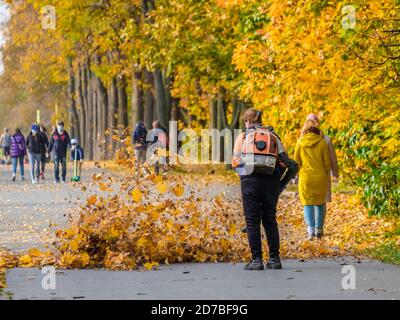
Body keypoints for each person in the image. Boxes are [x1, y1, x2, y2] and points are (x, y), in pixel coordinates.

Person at [232, 108, 285, 270]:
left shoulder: (242, 137)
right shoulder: (273, 136)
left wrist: (243, 175)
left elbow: (235, 162)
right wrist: (276, 180)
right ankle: (275, 259)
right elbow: (284, 162)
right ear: (261, 120)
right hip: (271, 182)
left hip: (250, 181)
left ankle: (256, 260)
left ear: (247, 121)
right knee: (270, 219)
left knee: (252, 221)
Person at [294, 119, 331, 240]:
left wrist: (297, 174)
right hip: (320, 177)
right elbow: (327, 163)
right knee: (320, 203)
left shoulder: (300, 142)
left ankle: (310, 230)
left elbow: (296, 161)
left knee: (307, 204)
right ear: (317, 131)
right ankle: (319, 230)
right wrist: (325, 173)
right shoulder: (322, 143)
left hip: (305, 178)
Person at [305, 114, 339, 203]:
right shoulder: (326, 139)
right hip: (323, 174)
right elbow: (332, 158)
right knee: (322, 201)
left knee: (309, 202)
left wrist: (295, 175)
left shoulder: (302, 140)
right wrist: (334, 173)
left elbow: (297, 160)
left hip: (307, 174)